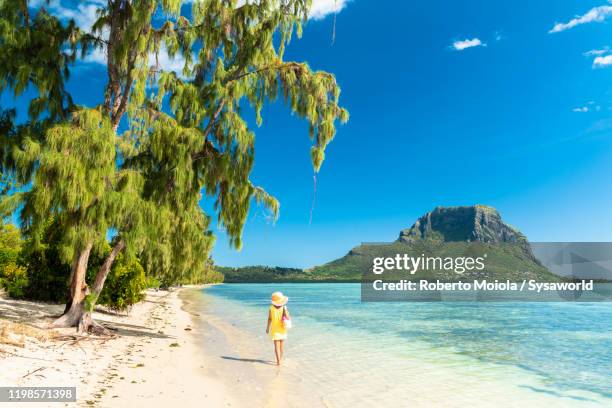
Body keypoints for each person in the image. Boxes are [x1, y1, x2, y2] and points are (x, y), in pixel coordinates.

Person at [266, 291, 291, 366]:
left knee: (276, 346)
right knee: (281, 346)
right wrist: (286, 310)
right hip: (282, 329)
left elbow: (269, 319)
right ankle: (280, 360)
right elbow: (288, 317)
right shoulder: (284, 308)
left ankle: (278, 361)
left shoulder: (271, 308)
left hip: (274, 329)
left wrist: (267, 328)